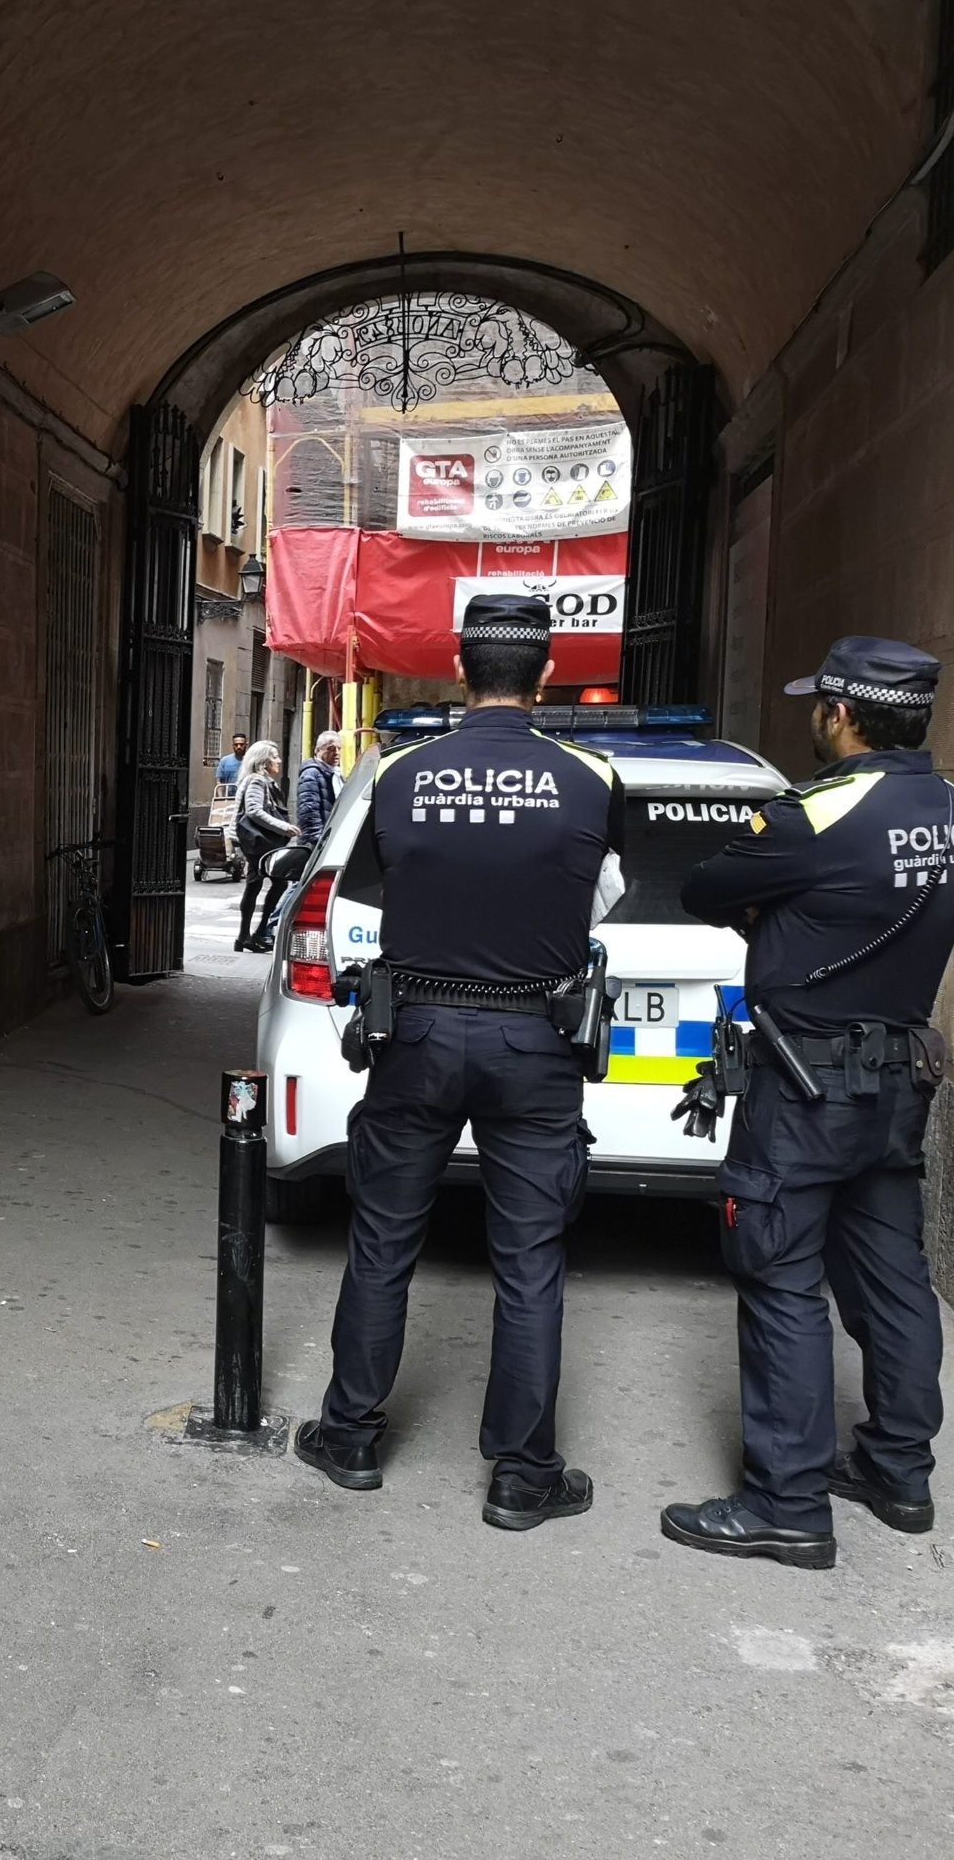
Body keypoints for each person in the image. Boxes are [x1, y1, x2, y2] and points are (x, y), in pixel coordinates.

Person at [297, 594, 626, 1532]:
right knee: (530, 1259)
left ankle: (350, 1435)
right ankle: (523, 1476)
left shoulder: (403, 773)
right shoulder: (591, 777)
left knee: (384, 1240)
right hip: (536, 1041)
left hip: (421, 1036)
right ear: (547, 672)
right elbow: (599, 893)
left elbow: (384, 877)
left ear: (457, 665)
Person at [660, 637, 954, 1570]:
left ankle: (786, 1502)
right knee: (892, 1275)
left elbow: (706, 886)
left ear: (840, 716)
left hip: (804, 1087)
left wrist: (779, 911)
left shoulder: (813, 815)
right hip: (897, 1084)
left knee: (781, 1278)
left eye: (818, 707)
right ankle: (899, 1470)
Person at [232, 741, 296, 952]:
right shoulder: (258, 782)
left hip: (257, 844)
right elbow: (254, 811)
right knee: (277, 884)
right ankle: (256, 933)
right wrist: (284, 827)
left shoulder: (263, 781)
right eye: (274, 757)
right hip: (259, 843)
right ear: (263, 762)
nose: (278, 760)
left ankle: (246, 936)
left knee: (255, 884)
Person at [296, 728, 344, 849]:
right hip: (318, 843)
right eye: (331, 749)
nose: (336, 753)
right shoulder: (311, 773)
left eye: (339, 748)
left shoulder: (335, 773)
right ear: (318, 750)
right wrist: (318, 841)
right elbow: (309, 810)